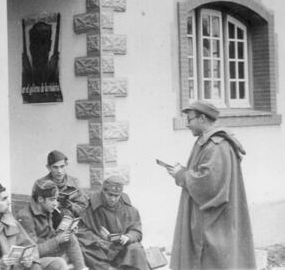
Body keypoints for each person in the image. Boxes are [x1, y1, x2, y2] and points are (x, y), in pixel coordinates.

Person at [167, 100, 256, 270]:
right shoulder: (207, 141)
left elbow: (209, 184)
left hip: (214, 219)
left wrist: (181, 175)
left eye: (189, 119)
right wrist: (184, 171)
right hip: (210, 215)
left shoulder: (217, 145)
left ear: (201, 118)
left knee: (214, 261)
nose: (187, 124)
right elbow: (204, 174)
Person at [77, 175, 150, 270]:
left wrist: (128, 237)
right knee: (82, 249)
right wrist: (97, 240)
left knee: (136, 248)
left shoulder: (129, 209)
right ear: (104, 192)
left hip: (121, 247)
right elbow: (81, 230)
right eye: (110, 195)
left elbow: (136, 230)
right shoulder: (92, 208)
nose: (113, 199)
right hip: (101, 248)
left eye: (116, 196)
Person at [17, 179, 88, 270]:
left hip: (46, 251)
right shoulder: (25, 217)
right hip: (33, 261)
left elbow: (49, 235)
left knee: (70, 237)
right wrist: (57, 240)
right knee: (59, 263)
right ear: (40, 199)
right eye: (52, 200)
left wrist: (65, 231)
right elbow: (32, 252)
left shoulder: (46, 209)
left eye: (56, 199)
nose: (55, 204)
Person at [36, 150, 88, 228]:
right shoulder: (42, 184)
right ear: (48, 167)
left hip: (74, 223)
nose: (59, 171)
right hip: (50, 224)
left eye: (62, 166)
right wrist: (53, 205)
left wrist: (71, 205)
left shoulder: (74, 182)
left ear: (66, 165)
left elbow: (83, 206)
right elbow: (37, 208)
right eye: (55, 167)